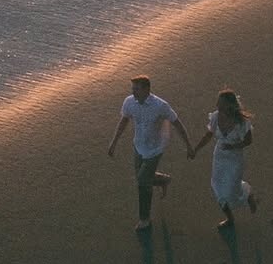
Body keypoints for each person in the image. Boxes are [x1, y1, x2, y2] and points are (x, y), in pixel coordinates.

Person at [107, 74, 194, 230]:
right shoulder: (129, 102)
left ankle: (144, 219)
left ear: (147, 89)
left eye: (137, 89)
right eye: (133, 89)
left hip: (155, 150)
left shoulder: (160, 105)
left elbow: (177, 123)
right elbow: (124, 121)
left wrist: (188, 145)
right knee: (144, 178)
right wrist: (114, 142)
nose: (134, 93)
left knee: (142, 183)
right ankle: (162, 180)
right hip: (138, 147)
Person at [190, 88, 258, 230]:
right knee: (218, 188)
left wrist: (233, 146)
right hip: (219, 157)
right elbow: (208, 135)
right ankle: (229, 218)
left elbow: (248, 141)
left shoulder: (242, 122)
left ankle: (248, 194)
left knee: (232, 190)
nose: (217, 105)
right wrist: (196, 149)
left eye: (220, 103)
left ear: (229, 105)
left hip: (235, 159)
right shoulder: (215, 116)